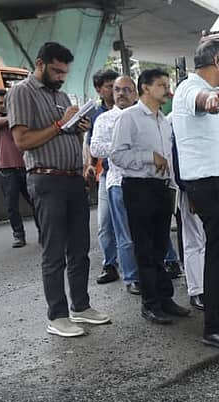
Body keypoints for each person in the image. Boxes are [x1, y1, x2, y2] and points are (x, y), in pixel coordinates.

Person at [8, 41, 110, 338]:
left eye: (65, 72)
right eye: (56, 71)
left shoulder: (61, 96)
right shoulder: (22, 92)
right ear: (40, 64)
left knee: (79, 249)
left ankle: (81, 306)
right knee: (54, 252)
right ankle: (57, 315)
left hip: (72, 177)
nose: (61, 77)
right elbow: (22, 141)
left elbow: (64, 131)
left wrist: (77, 127)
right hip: (46, 179)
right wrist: (59, 124)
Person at [172, 39, 219, 350]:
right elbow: (201, 100)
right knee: (218, 255)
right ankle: (213, 328)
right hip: (212, 184)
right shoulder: (191, 88)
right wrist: (210, 100)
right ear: (217, 60)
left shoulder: (195, 86)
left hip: (218, 183)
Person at [110, 68, 189, 325]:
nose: (167, 90)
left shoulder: (163, 120)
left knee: (160, 246)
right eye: (162, 85)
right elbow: (117, 155)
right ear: (145, 88)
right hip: (138, 187)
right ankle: (150, 303)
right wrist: (148, 157)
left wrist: (174, 186)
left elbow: (170, 159)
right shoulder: (129, 117)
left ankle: (165, 298)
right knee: (144, 248)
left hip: (162, 188)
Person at [89, 74, 141, 295]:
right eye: (117, 90)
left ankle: (153, 272)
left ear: (135, 93)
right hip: (118, 182)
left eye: (126, 89)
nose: (121, 94)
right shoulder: (104, 119)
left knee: (147, 233)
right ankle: (132, 277)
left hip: (145, 180)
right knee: (124, 235)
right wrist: (121, 147)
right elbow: (95, 148)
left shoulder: (144, 115)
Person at [83, 69, 121, 285]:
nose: (116, 90)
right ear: (99, 90)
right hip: (107, 174)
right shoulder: (96, 114)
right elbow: (92, 143)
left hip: (132, 175)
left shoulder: (133, 109)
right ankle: (110, 265)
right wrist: (90, 165)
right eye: (110, 86)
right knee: (104, 223)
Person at [0, 88, 36, 248]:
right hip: (7, 169)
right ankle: (18, 235)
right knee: (12, 206)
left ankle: (44, 232)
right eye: (0, 103)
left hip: (26, 166)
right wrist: (16, 116)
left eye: (6, 102)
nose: (3, 105)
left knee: (36, 202)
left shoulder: (20, 118)